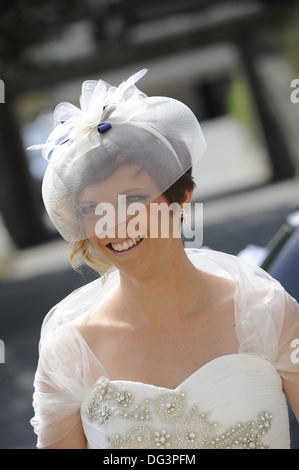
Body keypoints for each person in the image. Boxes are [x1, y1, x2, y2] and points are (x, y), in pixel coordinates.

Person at [29, 69, 299, 449]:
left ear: (182, 196)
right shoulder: (71, 353)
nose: (115, 224)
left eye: (134, 199)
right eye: (93, 208)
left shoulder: (268, 314)